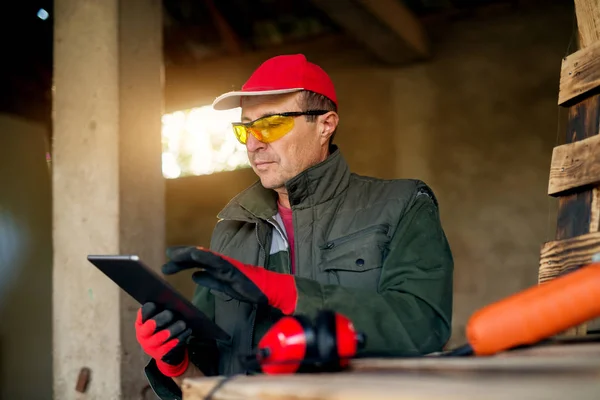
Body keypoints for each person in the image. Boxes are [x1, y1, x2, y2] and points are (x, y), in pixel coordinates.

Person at [136, 54, 454, 399]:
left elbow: (424, 326)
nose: (254, 143)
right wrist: (176, 363)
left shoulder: (402, 204)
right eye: (246, 128)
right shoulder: (232, 229)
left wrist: (283, 290)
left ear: (325, 125)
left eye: (271, 124)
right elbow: (211, 381)